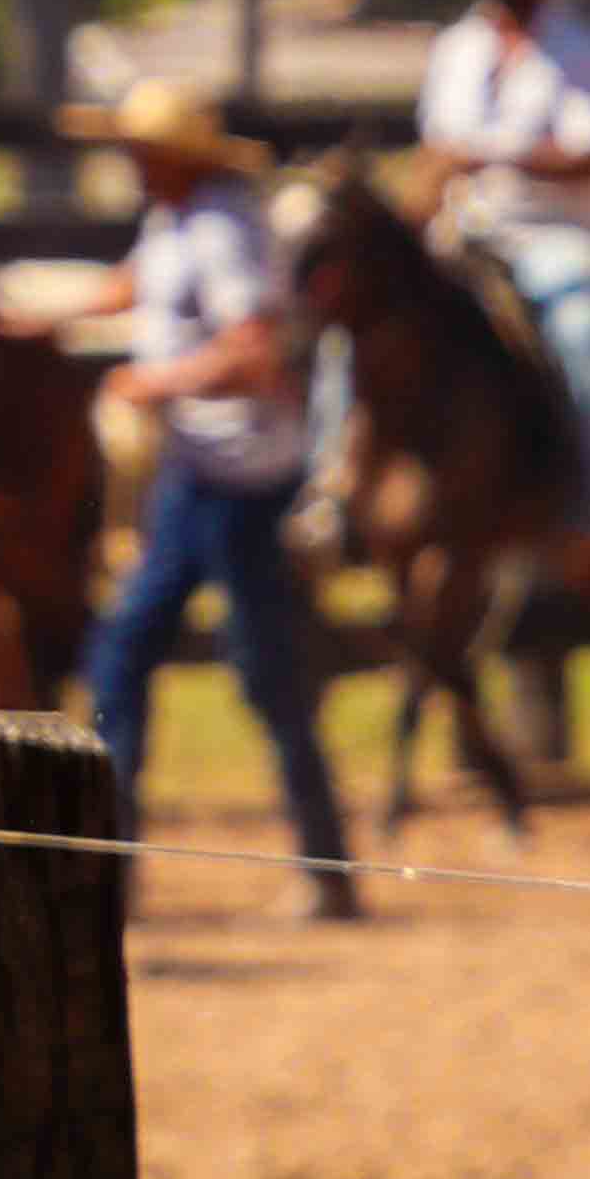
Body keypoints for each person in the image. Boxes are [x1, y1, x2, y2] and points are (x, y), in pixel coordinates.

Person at [61, 81, 360, 920]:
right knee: (133, 654)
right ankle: (125, 860)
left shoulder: (223, 229)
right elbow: (134, 288)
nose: (128, 161)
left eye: (139, 149)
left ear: (173, 156)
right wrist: (29, 315)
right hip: (197, 475)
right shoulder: (175, 219)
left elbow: (253, 352)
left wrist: (151, 384)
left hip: (240, 479)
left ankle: (318, 862)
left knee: (248, 668)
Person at [416, 0, 590, 527]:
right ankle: (333, 487)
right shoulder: (455, 48)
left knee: (581, 332)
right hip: (464, 233)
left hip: (552, 236)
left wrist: (495, 153)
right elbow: (434, 151)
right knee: (366, 323)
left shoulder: (580, 47)